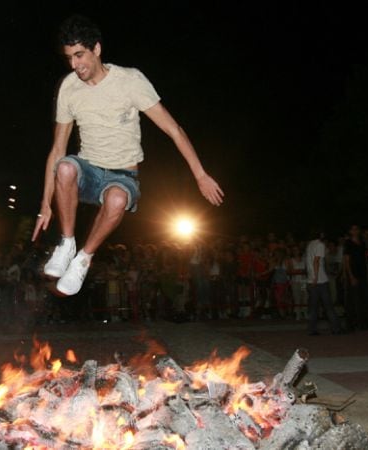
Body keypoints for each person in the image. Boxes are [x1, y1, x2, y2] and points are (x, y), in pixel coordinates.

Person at [31, 15, 224, 296]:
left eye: (80, 55)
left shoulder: (131, 81)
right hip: (89, 169)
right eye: (70, 57)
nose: (75, 65)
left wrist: (201, 174)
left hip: (123, 173)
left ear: (96, 49)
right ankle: (67, 243)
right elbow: (57, 149)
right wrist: (45, 205)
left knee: (117, 198)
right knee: (65, 167)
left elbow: (174, 130)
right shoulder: (69, 88)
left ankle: (83, 259)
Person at [305, 230, 342, 335]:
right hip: (320, 280)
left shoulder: (310, 245)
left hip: (311, 280)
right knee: (328, 305)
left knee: (313, 307)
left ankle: (311, 329)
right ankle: (336, 328)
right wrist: (316, 277)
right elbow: (316, 261)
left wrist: (312, 277)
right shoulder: (320, 245)